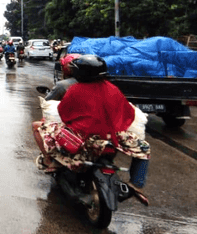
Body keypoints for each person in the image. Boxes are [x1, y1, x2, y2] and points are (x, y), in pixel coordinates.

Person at [32, 55, 150, 205]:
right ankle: (137, 184)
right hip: (113, 137)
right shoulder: (113, 89)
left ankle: (50, 161)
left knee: (38, 127)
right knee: (144, 149)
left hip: (84, 138)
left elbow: (64, 113)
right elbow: (128, 113)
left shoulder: (75, 90)